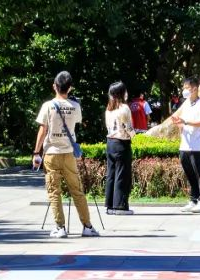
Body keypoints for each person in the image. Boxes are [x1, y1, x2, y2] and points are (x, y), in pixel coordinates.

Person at [33, 70, 99, 239]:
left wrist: (36, 152)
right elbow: (76, 122)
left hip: (51, 153)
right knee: (77, 190)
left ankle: (60, 227)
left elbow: (43, 130)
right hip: (69, 153)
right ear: (70, 88)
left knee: (54, 191)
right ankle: (87, 226)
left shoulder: (48, 106)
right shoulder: (75, 106)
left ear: (54, 86)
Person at [172, 76, 200, 213]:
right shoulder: (186, 103)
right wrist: (179, 124)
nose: (185, 90)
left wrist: (186, 122)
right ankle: (193, 199)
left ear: (194, 89)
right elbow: (182, 122)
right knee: (189, 173)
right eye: (184, 88)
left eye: (187, 88)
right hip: (185, 145)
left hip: (198, 146)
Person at [104, 80, 135, 215]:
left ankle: (110, 205)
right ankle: (120, 206)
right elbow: (127, 127)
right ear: (122, 93)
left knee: (111, 174)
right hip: (121, 143)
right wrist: (134, 135)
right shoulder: (124, 108)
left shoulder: (109, 108)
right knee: (122, 174)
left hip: (110, 142)